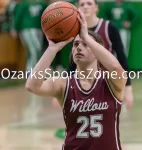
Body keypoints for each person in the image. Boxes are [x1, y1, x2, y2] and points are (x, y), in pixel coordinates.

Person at [25, 9, 127, 150]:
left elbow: (117, 69)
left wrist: (86, 37)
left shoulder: (110, 82)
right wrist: (52, 49)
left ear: (97, 51)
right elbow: (32, 86)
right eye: (76, 44)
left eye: (85, 44)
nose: (79, 47)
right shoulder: (64, 84)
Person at [68, 0, 134, 111]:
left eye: (89, 3)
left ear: (96, 7)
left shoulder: (109, 28)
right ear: (78, 8)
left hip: (106, 82)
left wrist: (128, 88)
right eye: (82, 4)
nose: (85, 7)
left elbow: (122, 57)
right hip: (82, 84)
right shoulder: (74, 29)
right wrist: (65, 84)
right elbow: (73, 62)